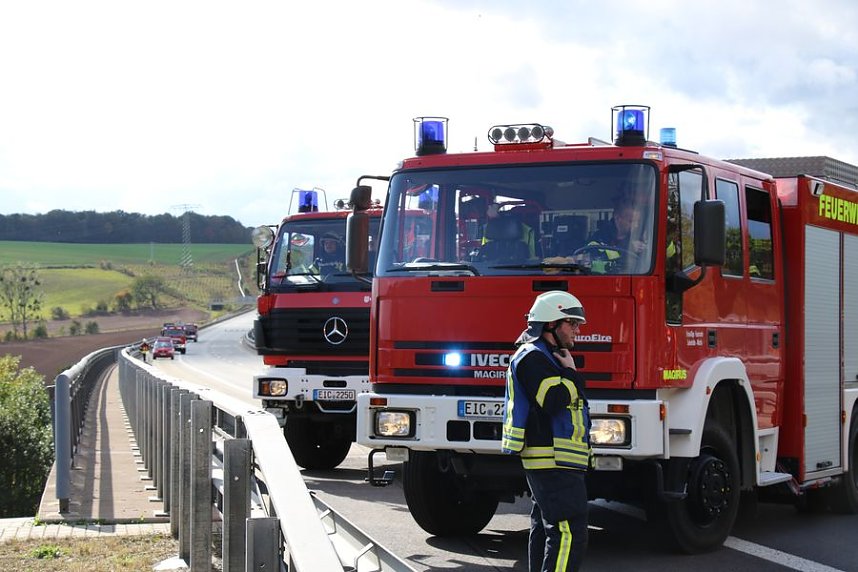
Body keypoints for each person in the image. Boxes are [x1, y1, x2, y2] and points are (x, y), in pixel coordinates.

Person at [503, 290, 591, 572]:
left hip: (556, 460)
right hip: (551, 461)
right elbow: (552, 400)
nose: (577, 330)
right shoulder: (532, 358)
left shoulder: (546, 356)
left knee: (546, 529)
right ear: (551, 324)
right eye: (572, 323)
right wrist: (572, 374)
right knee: (569, 532)